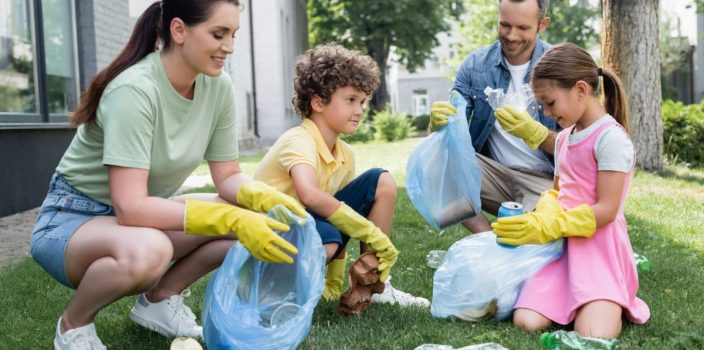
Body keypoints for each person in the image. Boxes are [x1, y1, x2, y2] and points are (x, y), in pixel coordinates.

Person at [29, 1, 307, 348]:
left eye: (233, 35)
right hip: (72, 221)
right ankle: (73, 327)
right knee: (153, 249)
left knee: (254, 218)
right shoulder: (134, 90)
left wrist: (264, 198)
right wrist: (229, 219)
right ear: (179, 30)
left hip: (137, 218)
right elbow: (130, 207)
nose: (230, 47)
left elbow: (228, 176)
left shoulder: (218, 87)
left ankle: (159, 301)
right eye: (218, 34)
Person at [492, 42, 650, 337]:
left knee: (594, 334)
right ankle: (574, 302)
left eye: (550, 103)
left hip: (598, 252)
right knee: (526, 321)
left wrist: (552, 226)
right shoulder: (564, 139)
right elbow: (557, 191)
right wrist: (542, 218)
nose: (547, 113)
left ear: (580, 89)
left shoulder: (610, 139)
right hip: (561, 249)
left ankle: (600, 302)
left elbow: (606, 210)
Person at [253, 44, 430, 308]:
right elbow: (309, 195)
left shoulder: (345, 154)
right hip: (268, 236)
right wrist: (370, 232)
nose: (360, 110)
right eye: (350, 100)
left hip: (309, 228)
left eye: (362, 101)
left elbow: (340, 214)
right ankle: (276, 294)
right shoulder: (298, 140)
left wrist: (334, 285)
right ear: (318, 102)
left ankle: (375, 285)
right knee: (325, 235)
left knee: (381, 181)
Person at [429, 0, 557, 233]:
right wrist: (436, 126)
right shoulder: (475, 66)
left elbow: (583, 148)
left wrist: (537, 134)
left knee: (532, 246)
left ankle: (530, 229)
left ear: (542, 25)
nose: (511, 35)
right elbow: (449, 136)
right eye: (505, 25)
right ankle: (486, 240)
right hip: (493, 176)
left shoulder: (558, 67)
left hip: (546, 184)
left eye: (522, 28)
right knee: (436, 161)